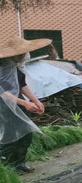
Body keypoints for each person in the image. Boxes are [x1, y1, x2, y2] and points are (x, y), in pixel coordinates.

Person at [0, 36, 52, 173]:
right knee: (9, 137)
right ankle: (7, 168)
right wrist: (24, 103)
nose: (24, 56)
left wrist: (35, 101)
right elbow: (2, 93)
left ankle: (20, 163)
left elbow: (22, 84)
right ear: (13, 54)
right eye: (21, 54)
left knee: (26, 133)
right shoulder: (1, 67)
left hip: (19, 103)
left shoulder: (15, 66)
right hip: (3, 108)